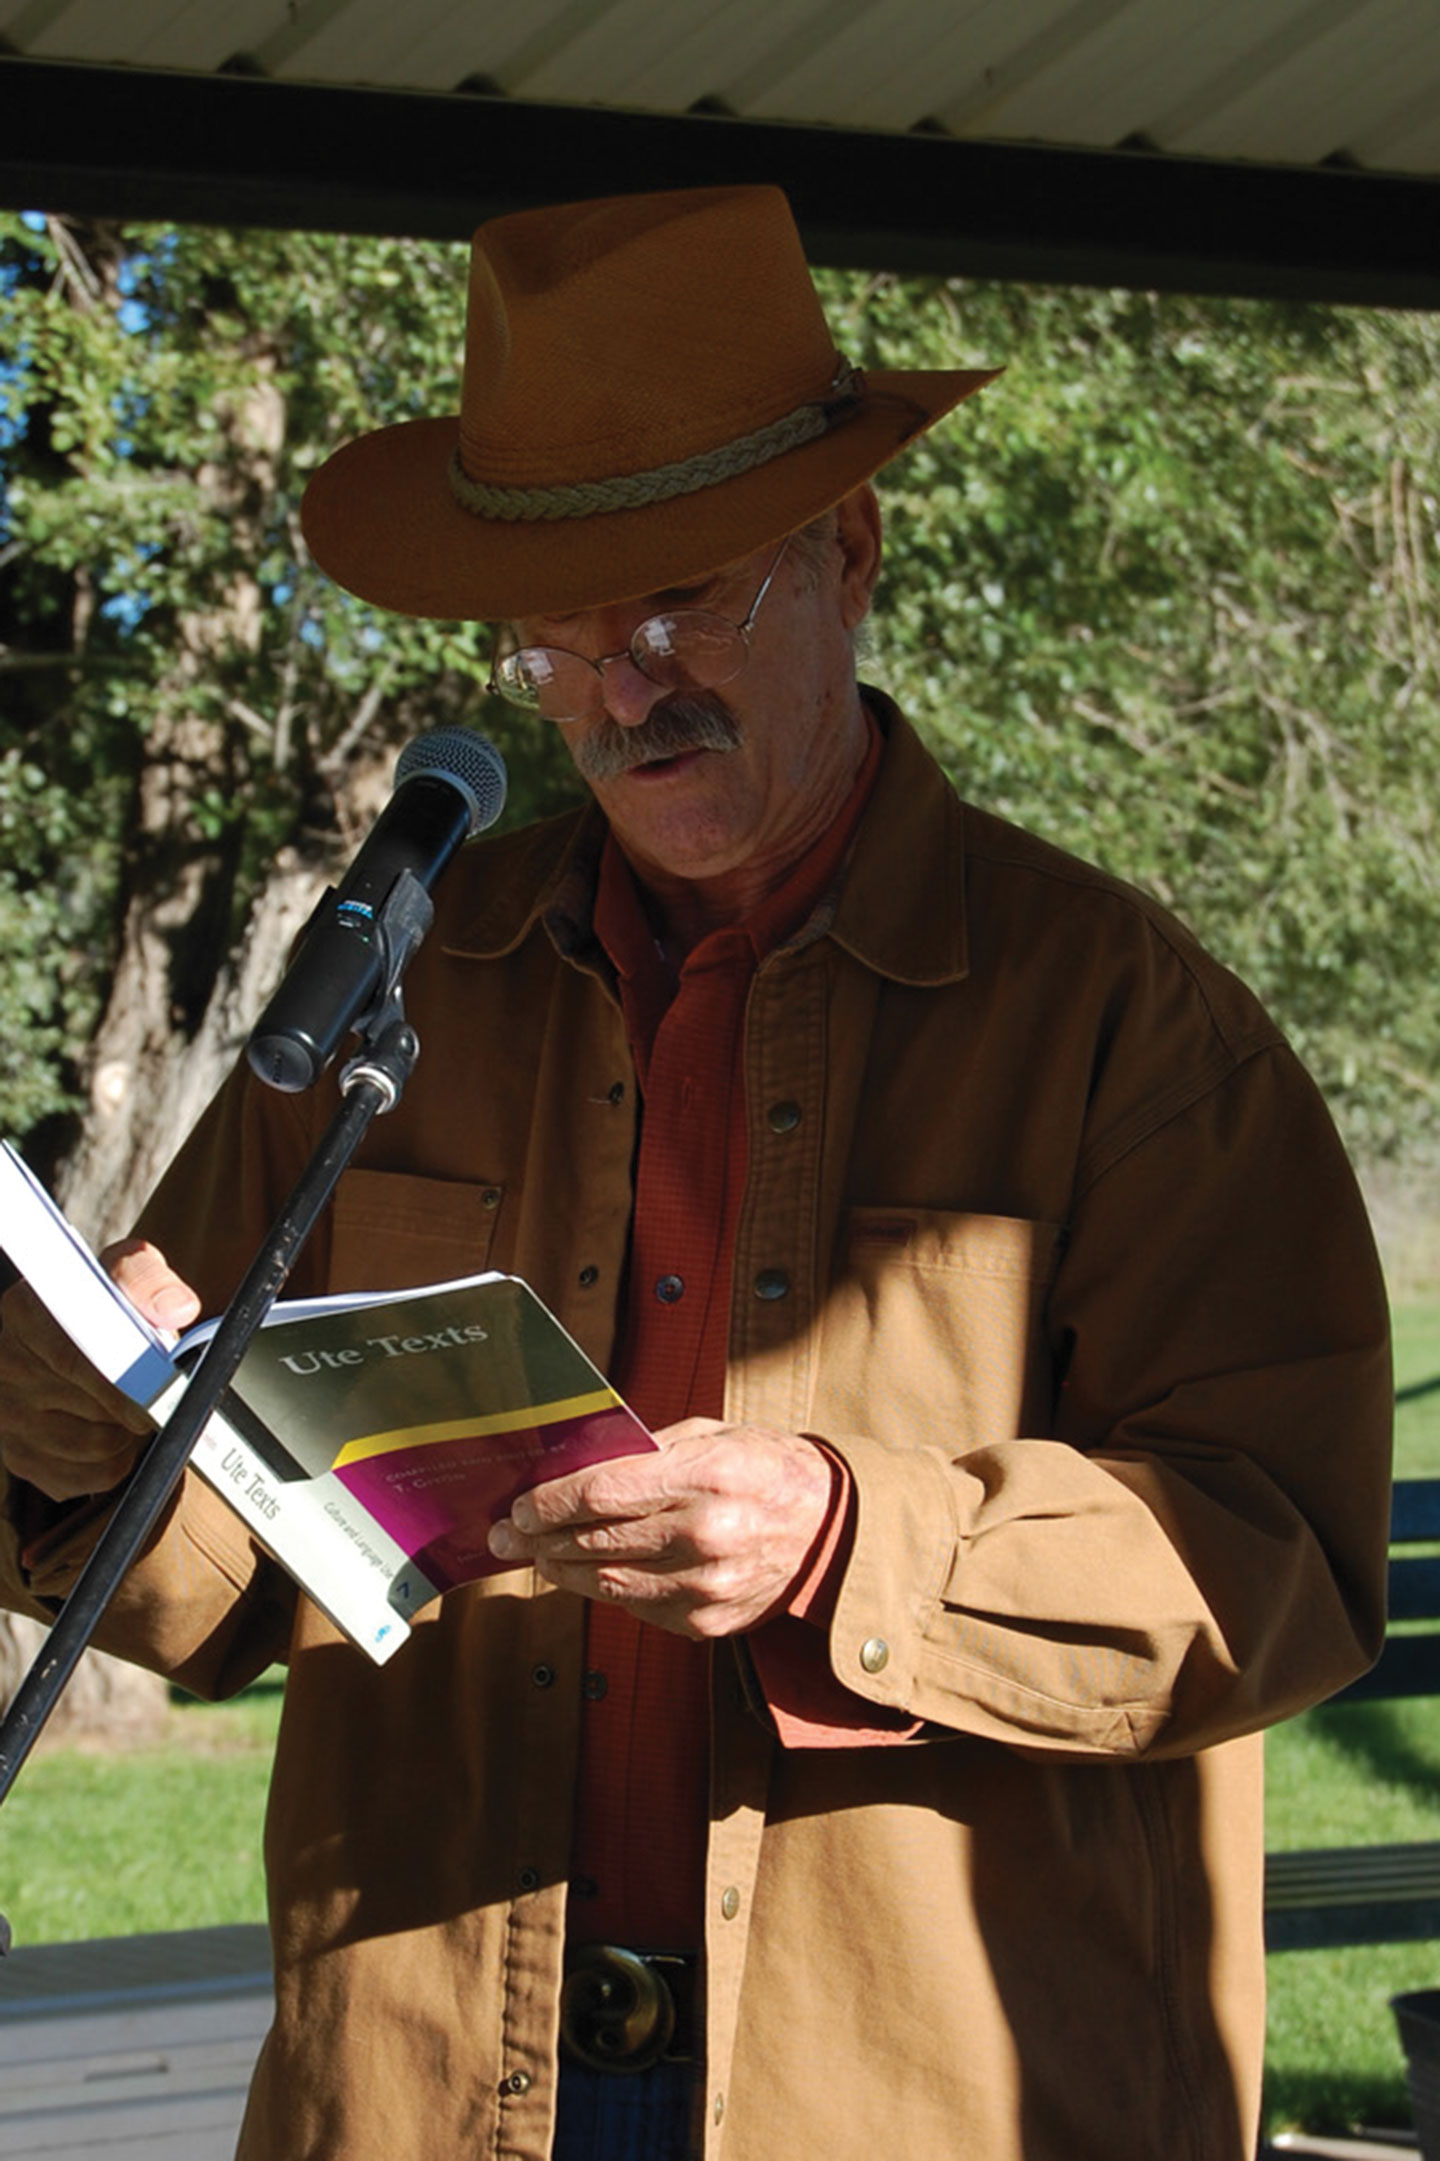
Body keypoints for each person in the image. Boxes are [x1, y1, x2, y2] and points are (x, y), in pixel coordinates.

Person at [0, 185, 1393, 2161]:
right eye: (557, 628)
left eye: (684, 600)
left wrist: (846, 1540)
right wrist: (94, 1403)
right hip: (435, 2084)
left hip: (924, 2104)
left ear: (851, 549)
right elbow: (209, 1588)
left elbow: (1289, 1568)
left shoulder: (1126, 1024)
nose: (620, 680)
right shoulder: (403, 982)